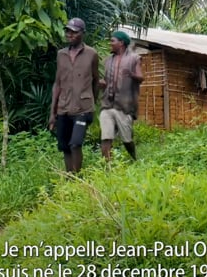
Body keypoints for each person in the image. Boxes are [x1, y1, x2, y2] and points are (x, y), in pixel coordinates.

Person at [49, 18, 99, 173]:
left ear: (82, 33)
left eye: (74, 32)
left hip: (83, 109)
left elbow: (96, 80)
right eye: (68, 31)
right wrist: (53, 113)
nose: (70, 35)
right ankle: (70, 177)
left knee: (76, 143)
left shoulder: (91, 54)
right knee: (65, 146)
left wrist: (92, 103)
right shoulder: (61, 55)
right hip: (63, 108)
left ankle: (77, 178)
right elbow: (57, 84)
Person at [98, 30, 144, 161]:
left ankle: (134, 159)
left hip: (124, 106)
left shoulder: (134, 58)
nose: (110, 43)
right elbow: (106, 82)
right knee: (106, 137)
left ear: (121, 43)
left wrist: (131, 74)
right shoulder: (107, 60)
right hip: (107, 104)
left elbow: (141, 78)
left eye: (112, 41)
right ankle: (107, 168)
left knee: (127, 140)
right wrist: (100, 83)